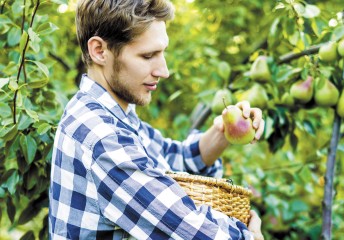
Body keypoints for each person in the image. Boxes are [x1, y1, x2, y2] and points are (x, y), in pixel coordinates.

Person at [48, 0, 265, 239]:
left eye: (162, 52)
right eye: (148, 55)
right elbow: (190, 229)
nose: (164, 70)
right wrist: (248, 234)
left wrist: (225, 130)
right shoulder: (102, 136)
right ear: (99, 51)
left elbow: (175, 161)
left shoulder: (112, 117)